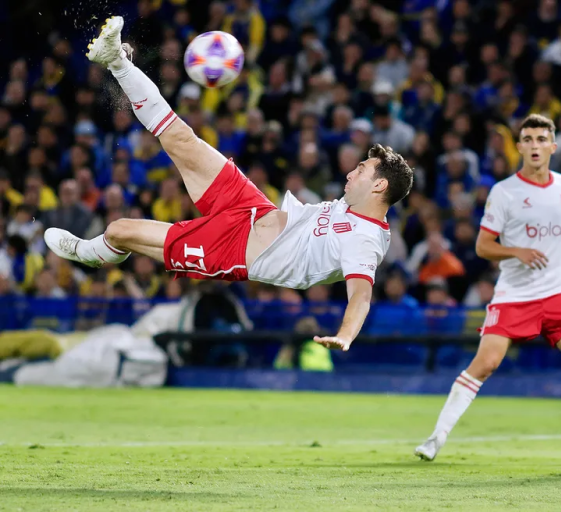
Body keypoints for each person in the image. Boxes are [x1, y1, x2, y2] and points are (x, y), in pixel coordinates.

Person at [44, 17, 413, 352]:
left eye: (362, 170)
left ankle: (89, 254)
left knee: (121, 229)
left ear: (380, 187)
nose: (351, 172)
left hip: (233, 250)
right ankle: (117, 61)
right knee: (180, 138)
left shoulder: (365, 241)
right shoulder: (351, 206)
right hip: (253, 208)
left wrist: (346, 335)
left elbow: (361, 296)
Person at [414, 115, 561, 467]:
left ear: (553, 146)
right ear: (519, 146)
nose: (535, 145)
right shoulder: (505, 191)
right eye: (528, 139)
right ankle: (436, 437)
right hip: (514, 295)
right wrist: (516, 251)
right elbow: (482, 246)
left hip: (556, 293)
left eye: (542, 139)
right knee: (486, 363)